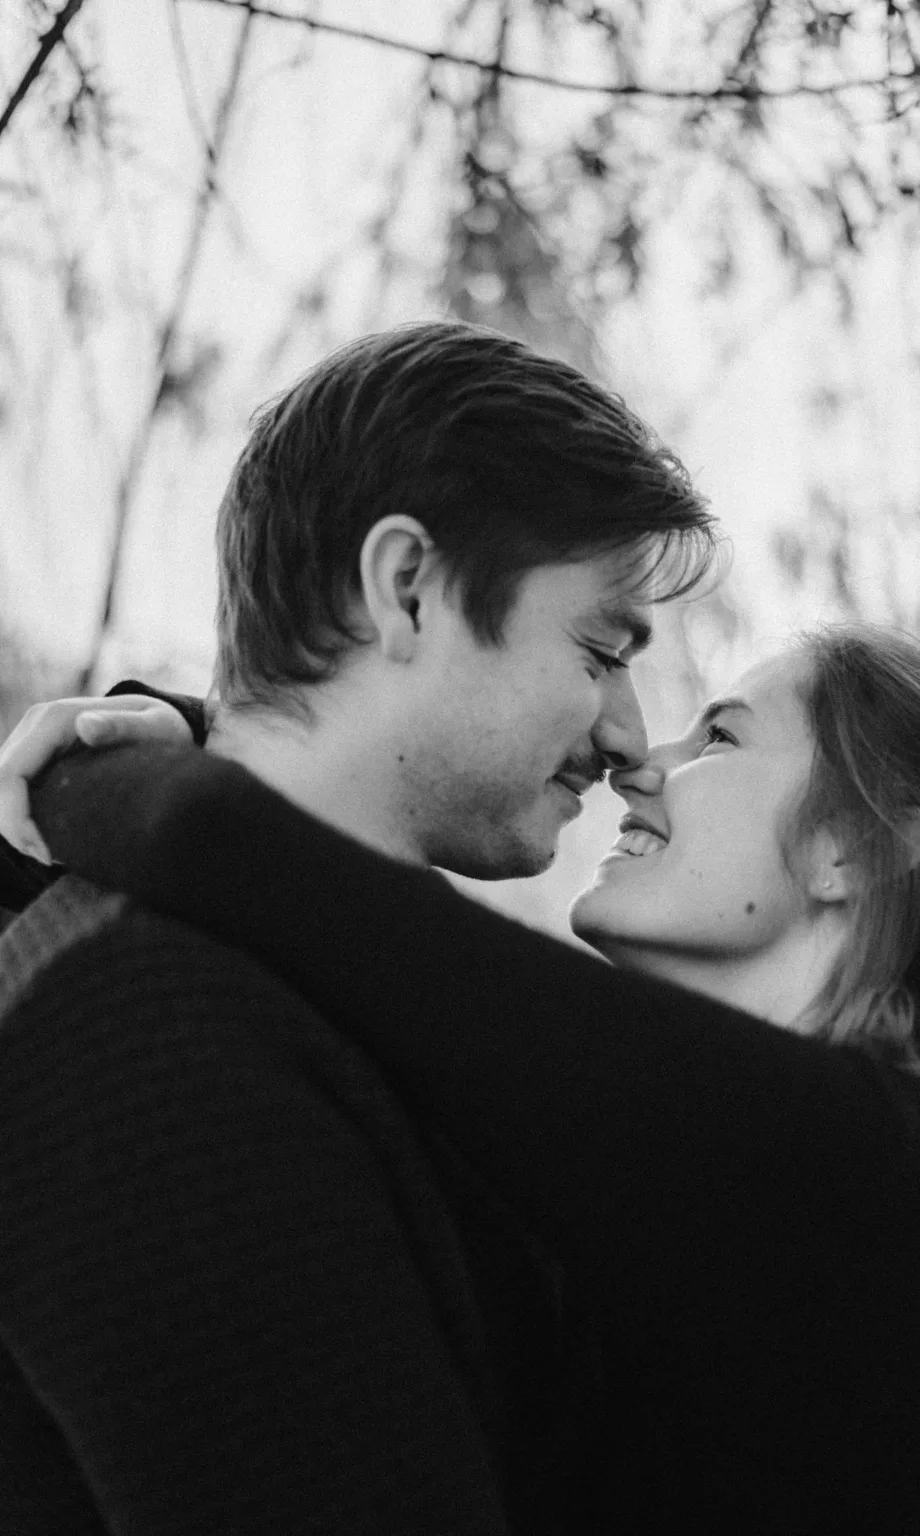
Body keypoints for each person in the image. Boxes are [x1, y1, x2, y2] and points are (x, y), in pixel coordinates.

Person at [4, 621, 920, 1535]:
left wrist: (145, 755)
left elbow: (255, 870)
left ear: (859, 847)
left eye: (719, 737)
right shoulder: (646, 1205)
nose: (639, 765)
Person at [0, 318, 718, 1536]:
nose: (628, 736)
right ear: (405, 590)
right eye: (600, 651)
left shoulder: (323, 989)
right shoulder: (135, 1034)